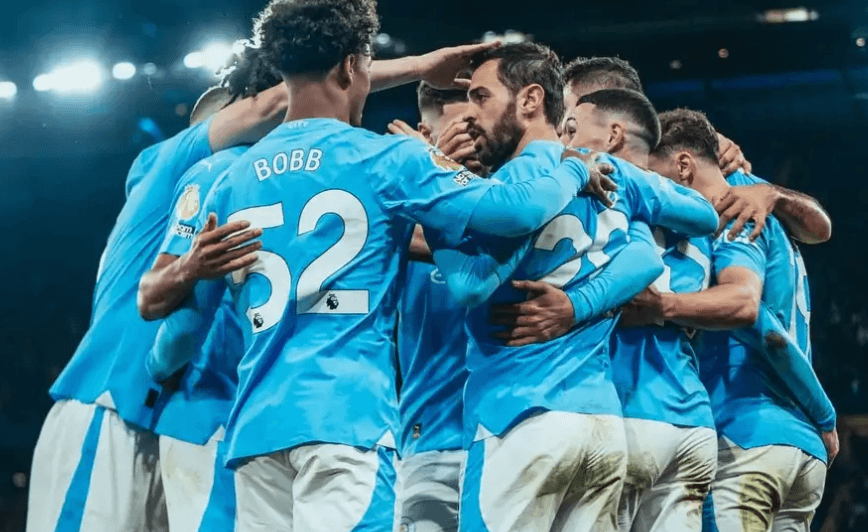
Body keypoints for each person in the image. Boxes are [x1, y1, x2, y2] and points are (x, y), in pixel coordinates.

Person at [156, 2, 609, 530]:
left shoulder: (230, 181)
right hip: (345, 420)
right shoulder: (385, 159)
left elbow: (177, 335)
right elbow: (515, 212)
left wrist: (162, 361)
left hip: (255, 430)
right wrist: (573, 169)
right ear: (352, 66)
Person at [445, 42, 718, 532]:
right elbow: (697, 219)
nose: (470, 116)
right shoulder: (616, 177)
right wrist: (581, 302)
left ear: (531, 101)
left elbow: (469, 282)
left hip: (518, 414)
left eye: (480, 98)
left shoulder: (506, 185)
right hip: (601, 421)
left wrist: (435, 195)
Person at [26, 66, 290, 532]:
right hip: (107, 405)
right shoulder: (183, 162)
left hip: (156, 419)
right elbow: (277, 101)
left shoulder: (193, 198)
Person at [640, 109, 837, 532]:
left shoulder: (731, 216)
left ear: (684, 166)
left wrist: (660, 306)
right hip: (801, 449)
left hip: (746, 436)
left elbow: (758, 322)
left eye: (655, 177)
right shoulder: (758, 200)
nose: (653, 193)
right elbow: (821, 228)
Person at [137, 44, 283, 532]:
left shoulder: (214, 170)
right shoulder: (312, 170)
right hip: (285, 411)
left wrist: (157, 368)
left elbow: (183, 325)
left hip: (210, 410)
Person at [563, 87, 718, 532]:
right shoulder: (692, 210)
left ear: (613, 136)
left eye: (571, 128)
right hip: (691, 415)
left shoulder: (600, 202)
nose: (565, 140)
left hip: (629, 412)